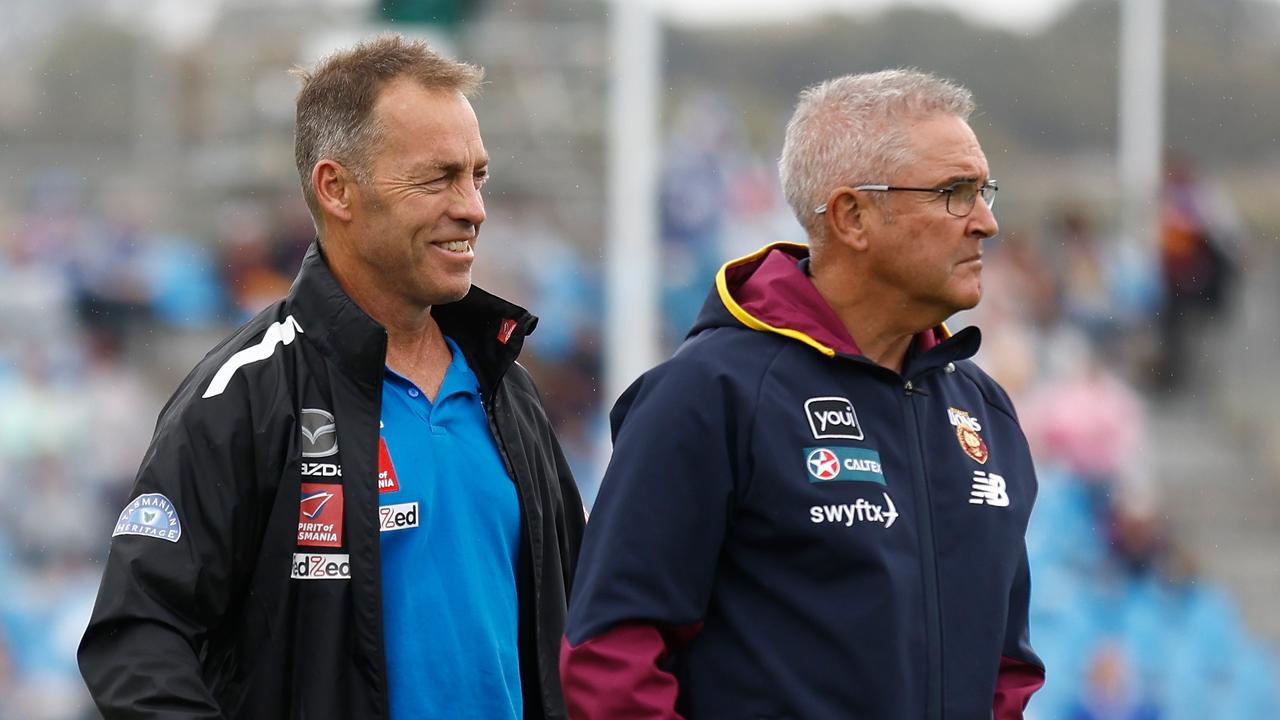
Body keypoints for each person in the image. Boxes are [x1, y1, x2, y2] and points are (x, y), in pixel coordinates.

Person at [78, 36, 585, 720]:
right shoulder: (243, 395)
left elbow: (580, 630)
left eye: (478, 176)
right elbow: (136, 638)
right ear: (336, 188)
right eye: (438, 178)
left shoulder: (508, 390)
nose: (473, 208)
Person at [561, 69, 1044, 718]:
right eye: (955, 193)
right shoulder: (708, 394)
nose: (985, 222)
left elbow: (1006, 669)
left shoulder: (985, 412)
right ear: (852, 216)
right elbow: (610, 655)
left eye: (983, 191)